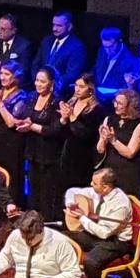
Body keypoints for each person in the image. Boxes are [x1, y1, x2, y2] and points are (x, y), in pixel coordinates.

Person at [64, 168, 135, 278]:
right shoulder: (97, 191)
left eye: (94, 183)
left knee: (91, 262)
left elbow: (104, 233)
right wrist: (71, 205)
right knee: (61, 238)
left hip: (116, 242)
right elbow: (71, 191)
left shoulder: (120, 204)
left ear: (105, 187)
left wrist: (81, 218)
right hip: (97, 234)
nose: (91, 184)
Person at [48, 73, 104, 205]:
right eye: (76, 85)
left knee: (76, 190)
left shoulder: (96, 109)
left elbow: (85, 134)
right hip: (65, 152)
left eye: (81, 86)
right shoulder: (71, 101)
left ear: (90, 89)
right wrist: (63, 118)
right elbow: (59, 127)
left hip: (82, 156)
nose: (77, 89)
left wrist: (72, 116)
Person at [0, 60, 33, 203]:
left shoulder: (22, 96)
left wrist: (0, 104)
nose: (2, 77)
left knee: (10, 176)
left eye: (7, 74)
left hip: (11, 144)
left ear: (16, 77)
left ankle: (13, 206)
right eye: (1, 74)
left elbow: (11, 122)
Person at [21, 68, 61, 217]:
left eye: (42, 81)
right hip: (33, 151)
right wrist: (24, 124)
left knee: (46, 191)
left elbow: (54, 130)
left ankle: (46, 220)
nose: (38, 84)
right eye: (37, 80)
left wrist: (32, 126)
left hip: (49, 154)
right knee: (33, 188)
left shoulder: (57, 102)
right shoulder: (32, 97)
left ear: (51, 83)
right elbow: (28, 118)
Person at [97, 88, 140, 196]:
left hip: (128, 174)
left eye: (120, 103)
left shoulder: (139, 124)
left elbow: (130, 153)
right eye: (115, 101)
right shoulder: (109, 119)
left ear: (130, 105)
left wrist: (114, 141)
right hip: (110, 171)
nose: (115, 105)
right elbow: (100, 150)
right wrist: (103, 139)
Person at [36, 11, 87, 97]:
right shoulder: (46, 41)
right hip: (39, 88)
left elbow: (72, 74)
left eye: (59, 26)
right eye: (53, 25)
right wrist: (39, 81)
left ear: (69, 27)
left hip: (60, 93)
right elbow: (36, 63)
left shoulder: (77, 47)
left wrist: (51, 84)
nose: (54, 29)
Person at [0, 13, 32, 87]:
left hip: (14, 88)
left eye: (3, 29)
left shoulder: (24, 46)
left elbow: (24, 71)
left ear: (14, 31)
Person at [92, 27, 135, 99]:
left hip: (114, 98)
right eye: (105, 47)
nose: (107, 51)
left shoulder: (129, 61)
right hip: (97, 94)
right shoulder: (102, 51)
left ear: (120, 41)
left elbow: (125, 88)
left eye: (111, 47)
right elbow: (96, 70)